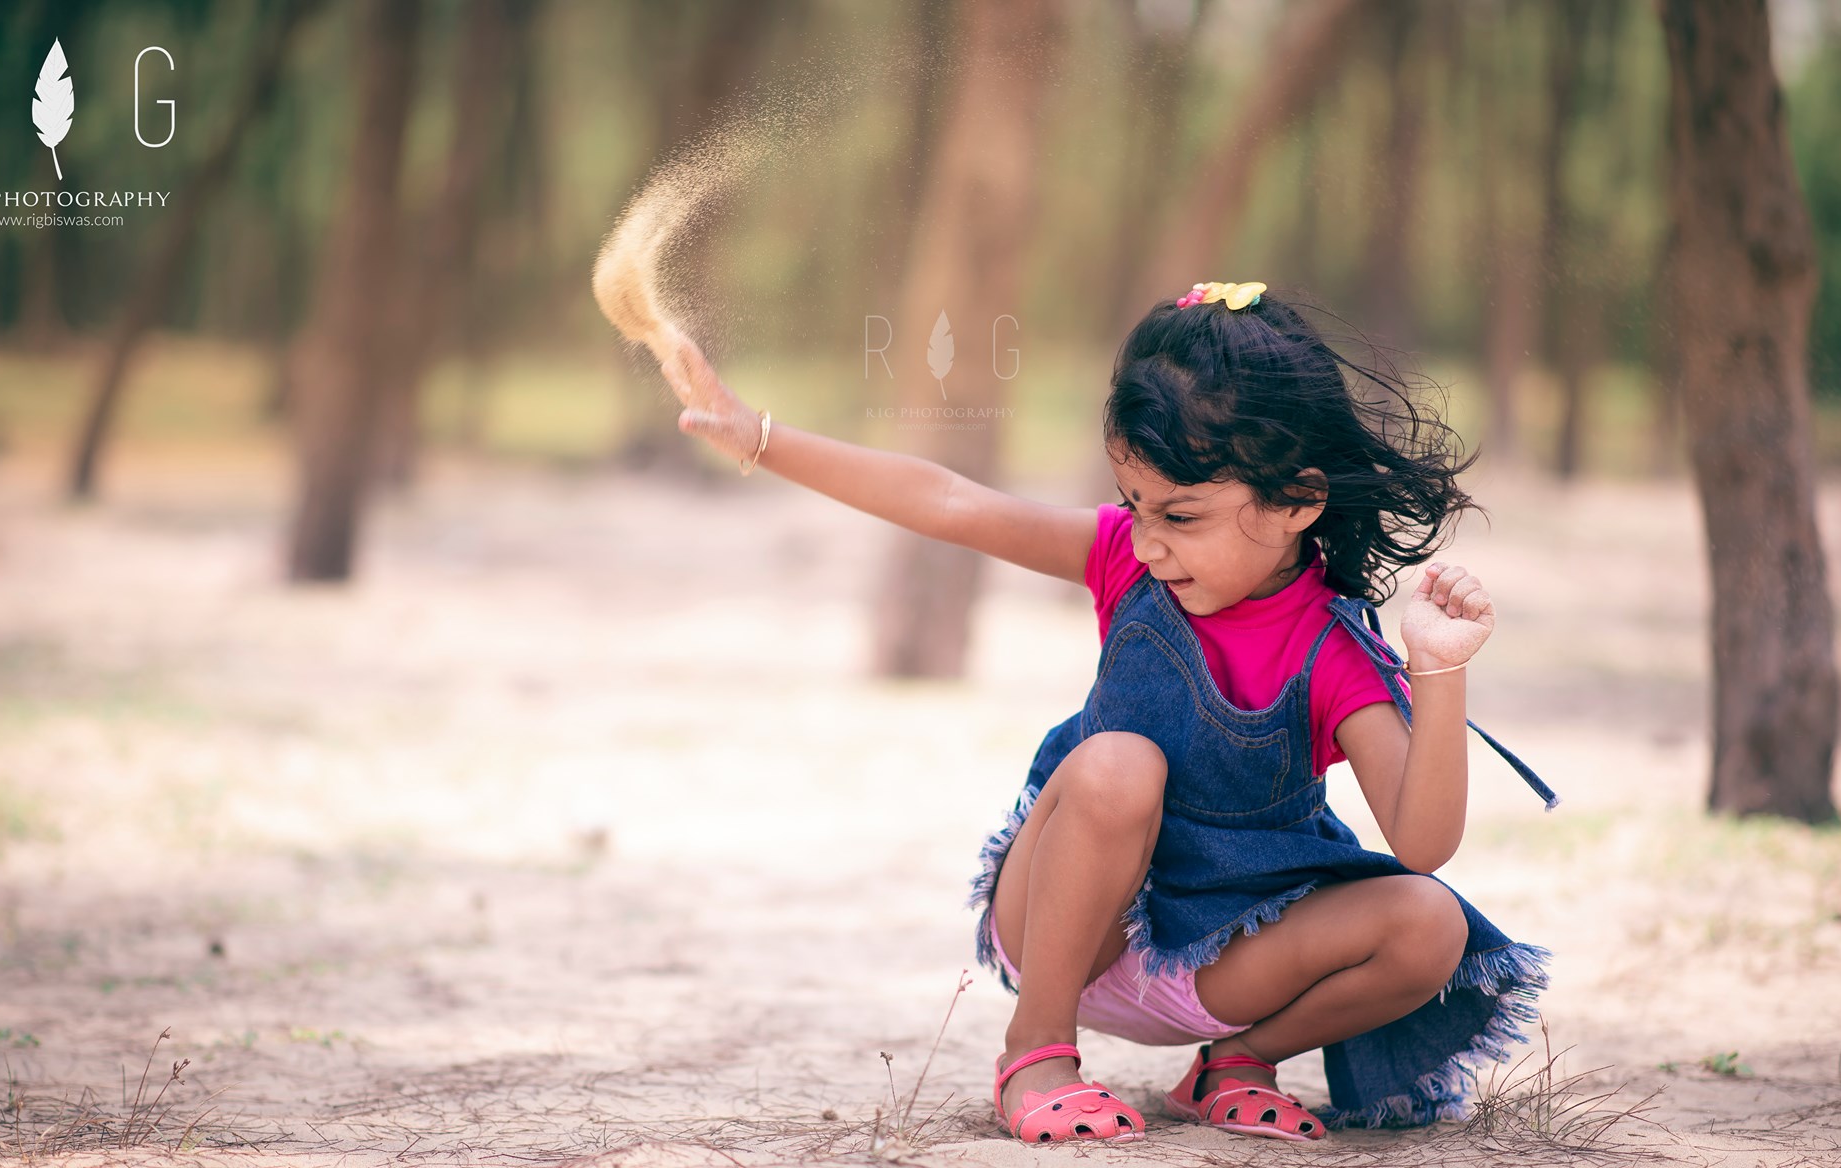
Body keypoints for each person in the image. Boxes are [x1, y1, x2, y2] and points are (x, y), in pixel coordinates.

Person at [656, 280, 1557, 1146]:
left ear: (1297, 500)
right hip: (1067, 932)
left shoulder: (1334, 651)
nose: (1150, 541)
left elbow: (1422, 845)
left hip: (1222, 961)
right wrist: (760, 436)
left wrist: (1438, 671)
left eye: (1182, 515)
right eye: (1135, 504)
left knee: (1431, 923)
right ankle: (1035, 1053)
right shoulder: (1122, 558)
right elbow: (949, 501)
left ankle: (1236, 1063)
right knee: (1120, 763)